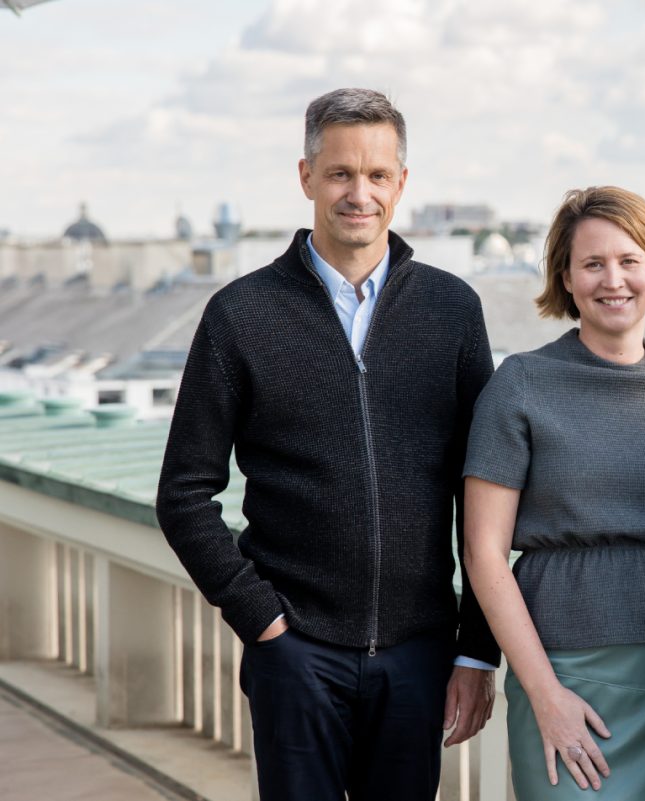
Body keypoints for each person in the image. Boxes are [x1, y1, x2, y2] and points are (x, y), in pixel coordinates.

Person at [156, 88, 499, 801]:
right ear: (306, 176)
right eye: (340, 173)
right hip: (296, 652)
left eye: (377, 175)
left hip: (419, 653)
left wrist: (476, 646)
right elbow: (184, 494)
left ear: (401, 184)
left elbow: (485, 493)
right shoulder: (241, 315)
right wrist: (264, 621)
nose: (358, 193)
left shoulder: (453, 310)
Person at [463, 186, 645, 800]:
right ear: (567, 276)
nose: (614, 280)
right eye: (593, 263)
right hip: (567, 676)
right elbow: (483, 555)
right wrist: (545, 695)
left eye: (630, 260)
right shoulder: (522, 385)